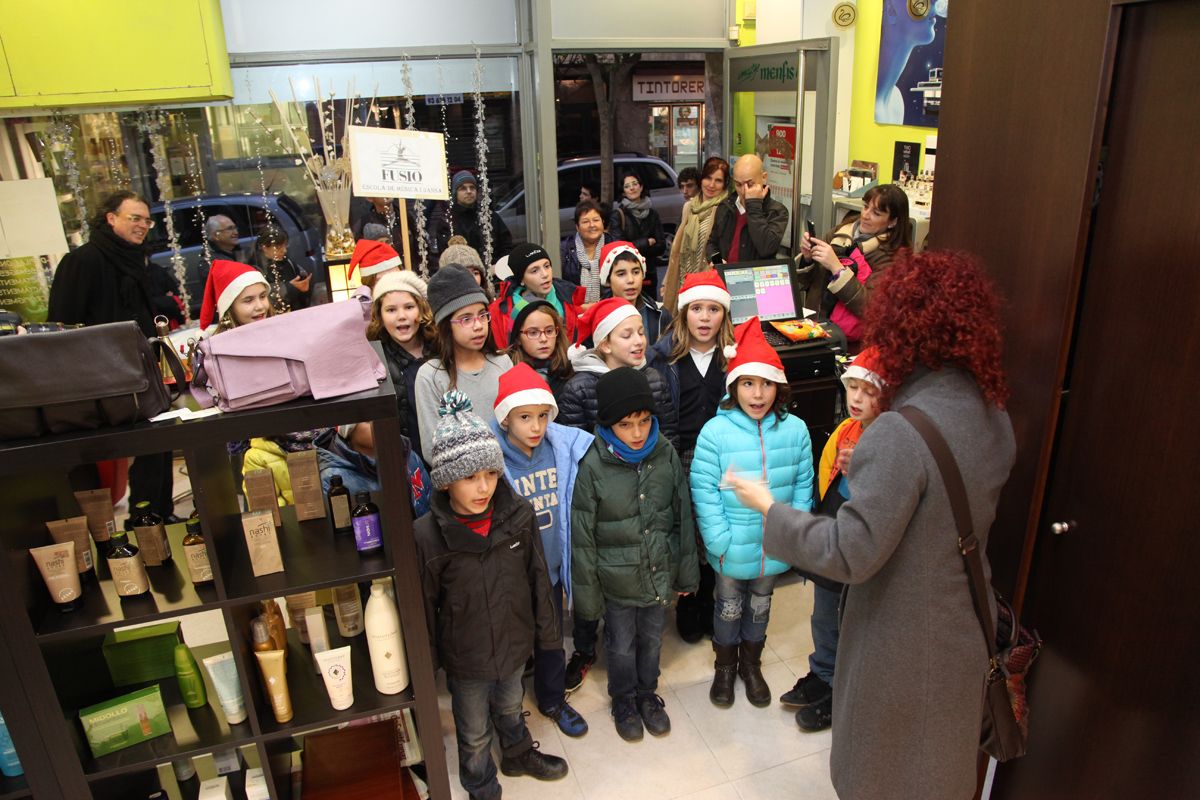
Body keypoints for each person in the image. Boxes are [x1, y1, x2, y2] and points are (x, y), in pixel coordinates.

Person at [724, 250, 1016, 798]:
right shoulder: (990, 410)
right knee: (939, 768)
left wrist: (770, 508)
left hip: (899, 640)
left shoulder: (899, 432)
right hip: (964, 629)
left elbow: (850, 551)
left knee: (882, 772)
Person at [414, 390, 569, 798]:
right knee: (475, 729)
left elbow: (538, 577)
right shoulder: (427, 536)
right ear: (446, 481)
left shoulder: (518, 515)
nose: (483, 487)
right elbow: (425, 607)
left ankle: (517, 752)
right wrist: (428, 667)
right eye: (470, 477)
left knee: (509, 705)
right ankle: (480, 781)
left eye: (491, 474)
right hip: (467, 658)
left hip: (514, 644)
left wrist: (546, 638)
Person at [690, 317, 814, 708]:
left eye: (765, 384)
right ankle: (724, 667)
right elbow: (704, 489)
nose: (757, 394)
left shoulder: (796, 430)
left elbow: (803, 485)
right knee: (727, 608)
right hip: (732, 548)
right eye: (748, 383)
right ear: (734, 386)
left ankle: (751, 663)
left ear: (778, 386)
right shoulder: (715, 432)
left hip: (774, 546)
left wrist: (793, 534)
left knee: (761, 605)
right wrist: (719, 540)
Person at [571, 367, 699, 742]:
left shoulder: (665, 455)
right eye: (627, 424)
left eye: (644, 421)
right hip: (616, 581)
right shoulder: (593, 466)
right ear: (609, 425)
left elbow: (682, 517)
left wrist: (685, 573)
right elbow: (583, 538)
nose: (639, 432)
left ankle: (647, 694)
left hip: (658, 571)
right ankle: (623, 699)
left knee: (653, 639)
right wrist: (588, 600)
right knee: (621, 645)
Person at [47, 191, 179, 521]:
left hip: (139, 370)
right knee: (99, 455)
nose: (143, 226)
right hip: (97, 380)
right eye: (134, 218)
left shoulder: (135, 259)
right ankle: (113, 529)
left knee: (158, 438)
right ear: (111, 218)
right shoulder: (83, 260)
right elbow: (61, 324)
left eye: (147, 220)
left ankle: (153, 515)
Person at [781, 347, 886, 733]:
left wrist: (859, 469)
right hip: (835, 540)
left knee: (852, 620)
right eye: (852, 388)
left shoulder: (892, 441)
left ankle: (843, 691)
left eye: (867, 391)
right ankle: (822, 673)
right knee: (824, 613)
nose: (856, 399)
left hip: (862, 549)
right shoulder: (845, 431)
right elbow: (826, 481)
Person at [490, 364, 593, 738]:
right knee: (514, 643)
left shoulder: (560, 449)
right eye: (524, 417)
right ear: (505, 420)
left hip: (549, 568)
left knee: (551, 640)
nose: (536, 427)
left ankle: (551, 699)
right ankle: (507, 710)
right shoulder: (494, 462)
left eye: (542, 416)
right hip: (511, 575)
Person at [647, 270, 735, 643]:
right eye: (696, 308)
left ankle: (716, 597)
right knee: (686, 529)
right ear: (683, 313)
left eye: (713, 309)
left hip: (723, 456)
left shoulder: (733, 359)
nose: (704, 317)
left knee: (716, 529)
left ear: (724, 316)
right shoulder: (664, 358)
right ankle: (689, 600)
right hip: (681, 453)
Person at [414, 265, 513, 458]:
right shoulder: (431, 376)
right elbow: (431, 448)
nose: (478, 326)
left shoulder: (503, 363)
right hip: (462, 479)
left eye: (482, 315)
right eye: (466, 319)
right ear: (445, 325)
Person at [796, 184, 912, 344]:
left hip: (851, 342)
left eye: (876, 213)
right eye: (865, 207)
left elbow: (870, 307)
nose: (865, 215)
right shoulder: (841, 233)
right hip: (814, 327)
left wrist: (837, 269)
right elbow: (808, 282)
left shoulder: (892, 257)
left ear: (892, 222)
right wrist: (808, 258)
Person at [366, 270, 435, 464]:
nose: (401, 316)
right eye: (391, 310)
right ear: (379, 315)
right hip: (405, 464)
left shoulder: (440, 349)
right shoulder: (375, 360)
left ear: (421, 310)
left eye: (409, 307)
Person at [663, 156, 730, 311]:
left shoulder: (724, 209)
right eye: (708, 178)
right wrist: (667, 280)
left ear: (725, 184)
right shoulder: (689, 207)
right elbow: (677, 248)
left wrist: (717, 267)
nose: (711, 185)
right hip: (683, 280)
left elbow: (719, 248)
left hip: (706, 285)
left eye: (718, 180)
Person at [489, 242, 583, 345]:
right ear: (521, 279)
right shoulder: (500, 311)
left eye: (547, 266)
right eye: (534, 271)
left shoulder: (570, 297)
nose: (545, 274)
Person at [705, 154, 788, 264]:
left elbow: (767, 249)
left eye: (750, 184)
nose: (744, 191)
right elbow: (712, 243)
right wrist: (716, 260)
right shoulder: (726, 205)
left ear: (764, 178)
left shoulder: (776, 211)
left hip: (755, 277)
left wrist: (753, 205)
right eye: (738, 184)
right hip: (724, 275)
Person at [429, 170, 513, 261]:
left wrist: (497, 267)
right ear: (455, 193)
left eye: (472, 188)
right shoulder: (447, 221)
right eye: (463, 188)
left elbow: (506, 247)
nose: (469, 191)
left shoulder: (489, 217)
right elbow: (445, 256)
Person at [598, 241, 668, 346]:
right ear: (608, 280)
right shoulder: (596, 318)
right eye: (621, 274)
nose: (630, 280)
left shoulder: (660, 314)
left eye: (636, 272)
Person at [506, 300, 575, 400]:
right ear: (517, 339)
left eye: (549, 331)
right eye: (533, 333)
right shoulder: (507, 372)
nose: (543, 339)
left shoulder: (571, 368)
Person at [560, 200, 615, 304]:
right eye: (585, 222)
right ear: (577, 227)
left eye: (596, 220)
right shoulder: (564, 249)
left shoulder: (614, 247)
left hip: (609, 309)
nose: (592, 225)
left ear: (603, 222)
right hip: (575, 311)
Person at [608, 172, 665, 267]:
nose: (632, 188)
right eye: (627, 186)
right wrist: (646, 242)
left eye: (635, 184)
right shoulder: (618, 215)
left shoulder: (652, 213)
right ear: (623, 192)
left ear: (641, 187)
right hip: (627, 269)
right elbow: (620, 247)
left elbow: (661, 246)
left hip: (649, 270)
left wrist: (633, 246)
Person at [254, 225, 310, 312]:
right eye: (278, 247)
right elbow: (263, 296)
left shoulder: (287, 262)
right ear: (264, 247)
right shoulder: (256, 268)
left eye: (285, 246)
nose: (284, 250)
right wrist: (290, 287)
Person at [440, 236, 494, 301]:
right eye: (464, 273)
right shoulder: (442, 309)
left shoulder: (492, 307)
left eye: (475, 273)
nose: (471, 278)